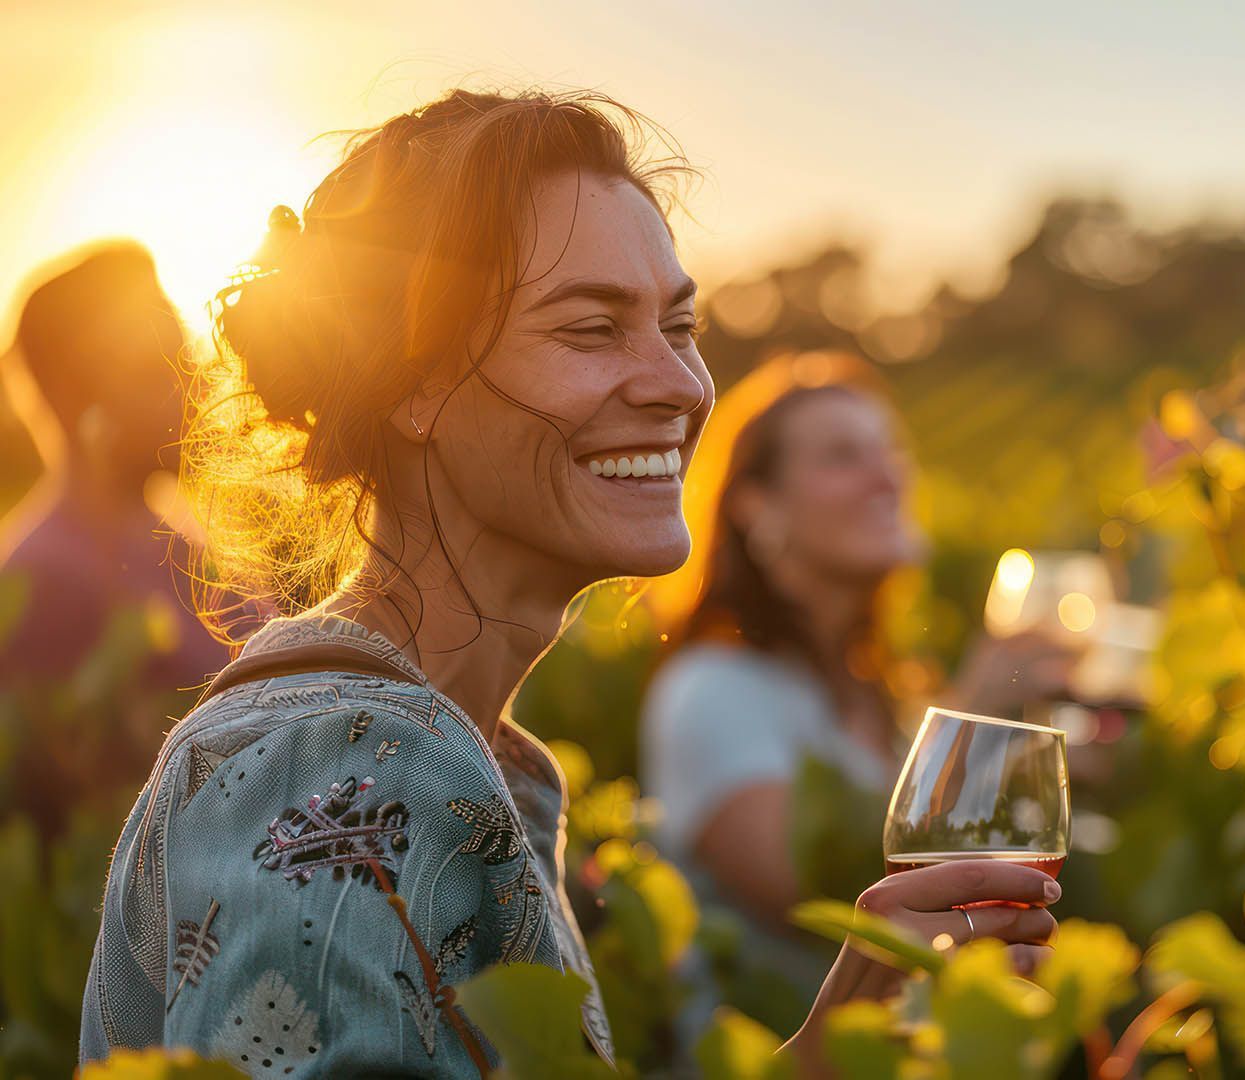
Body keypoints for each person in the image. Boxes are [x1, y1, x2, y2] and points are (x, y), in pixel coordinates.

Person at [80, 89, 1058, 1077]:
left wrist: (821, 1057)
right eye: (592, 329)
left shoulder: (461, 756)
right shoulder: (345, 769)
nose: (680, 383)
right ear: (412, 380)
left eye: (680, 325)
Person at [643, 357, 1080, 1027]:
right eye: (844, 456)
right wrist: (975, 725)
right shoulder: (711, 690)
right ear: (755, 504)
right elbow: (814, 888)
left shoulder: (886, 695)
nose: (889, 477)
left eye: (890, 451)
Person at [0, 243, 228, 837]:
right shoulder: (46, 578)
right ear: (83, 395)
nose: (194, 386)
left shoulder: (183, 548)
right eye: (161, 369)